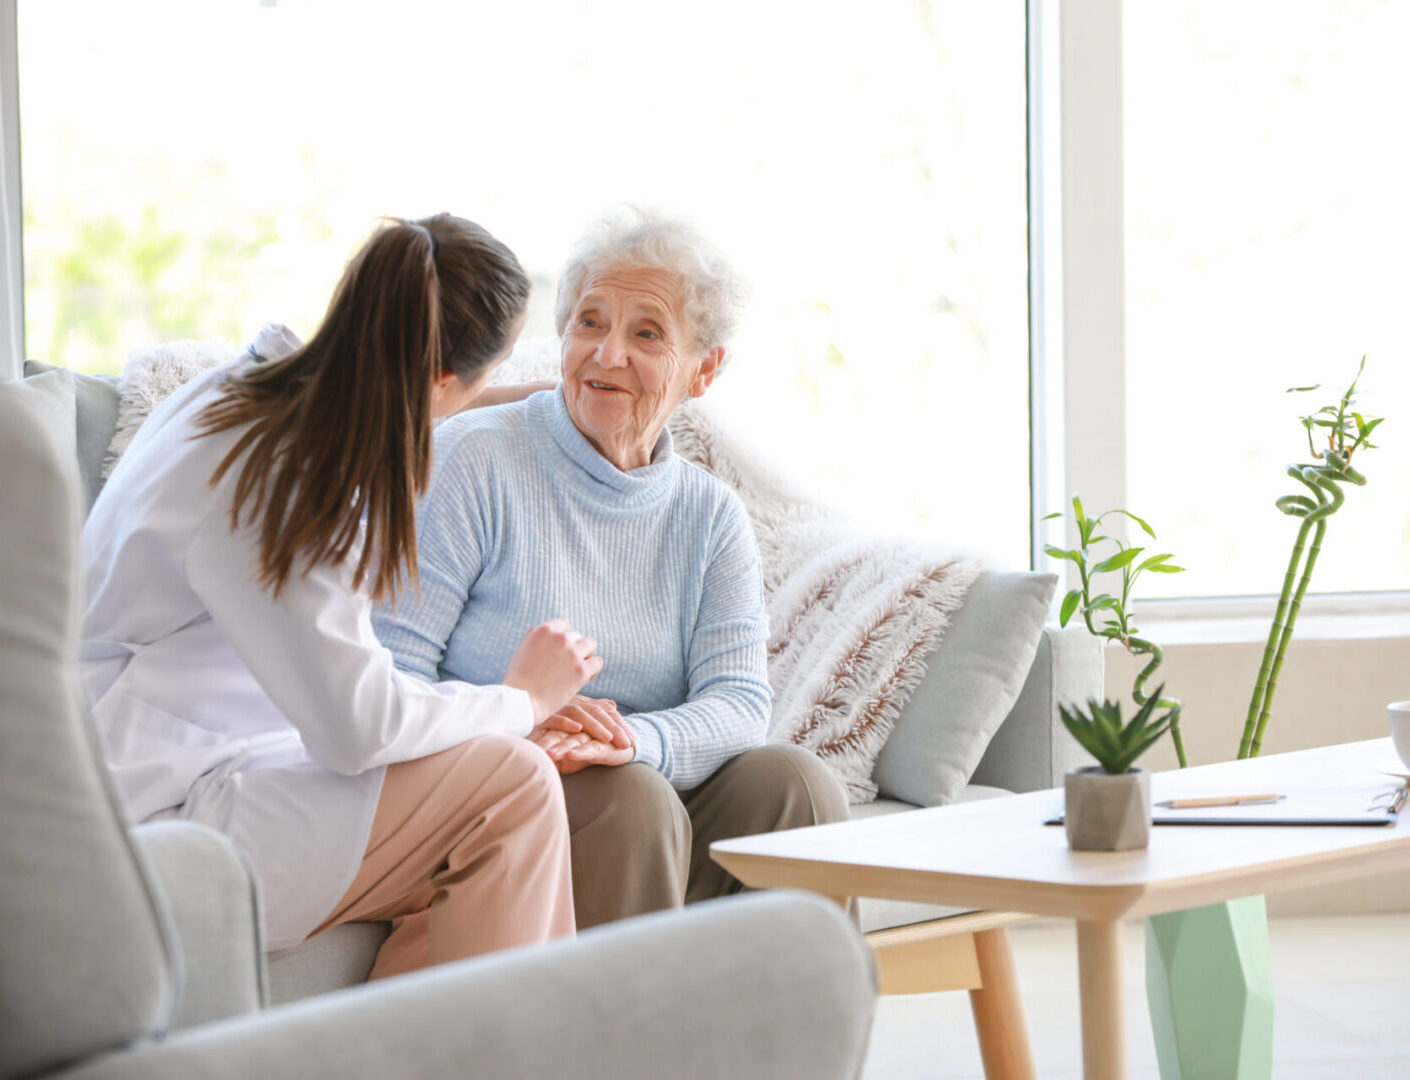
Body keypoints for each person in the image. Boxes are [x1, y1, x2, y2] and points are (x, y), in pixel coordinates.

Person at [80, 214, 603, 978]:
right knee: (509, 787)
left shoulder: (232, 393)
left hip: (165, 761)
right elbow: (358, 730)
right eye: (477, 385)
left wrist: (515, 402)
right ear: (440, 381)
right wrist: (522, 699)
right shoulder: (286, 483)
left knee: (470, 801)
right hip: (154, 819)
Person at [373, 207, 849, 930]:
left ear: (705, 369)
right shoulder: (475, 460)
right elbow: (391, 672)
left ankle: (789, 1035)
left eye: (647, 333)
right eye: (590, 323)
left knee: (797, 786)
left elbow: (740, 704)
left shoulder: (710, 515)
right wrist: (516, 721)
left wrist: (631, 743)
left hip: (637, 786)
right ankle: (624, 1037)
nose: (606, 355)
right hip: (498, 788)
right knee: (629, 800)